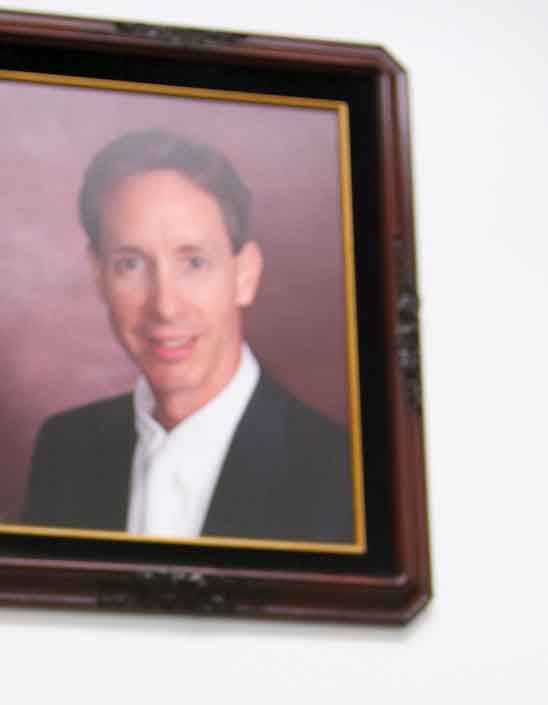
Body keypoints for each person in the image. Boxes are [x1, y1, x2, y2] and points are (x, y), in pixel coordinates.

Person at [23, 129, 354, 546]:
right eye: (130, 264)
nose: (165, 306)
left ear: (245, 275)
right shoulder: (65, 450)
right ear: (99, 275)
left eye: (194, 262)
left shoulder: (342, 473)